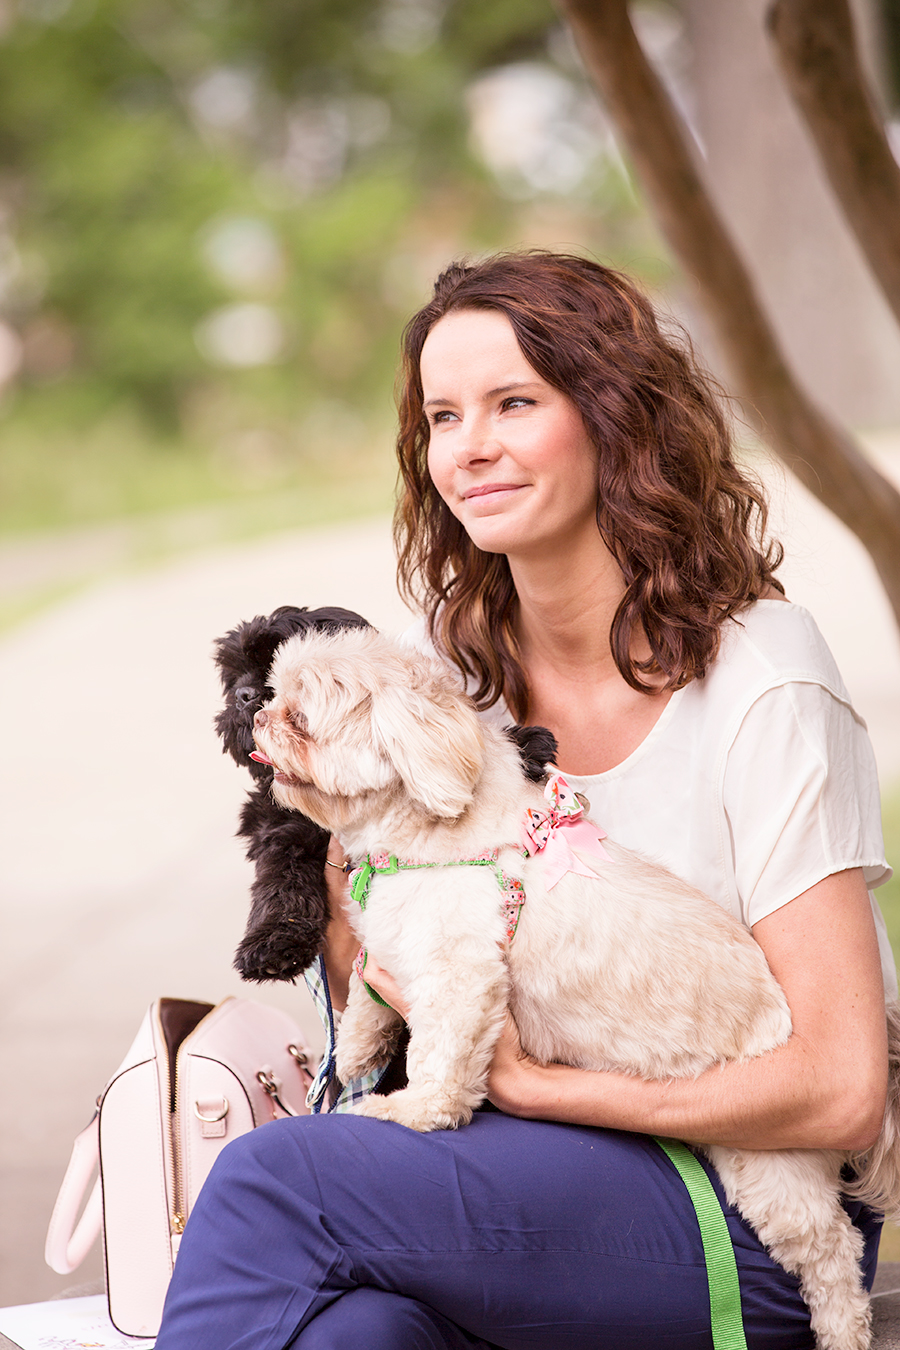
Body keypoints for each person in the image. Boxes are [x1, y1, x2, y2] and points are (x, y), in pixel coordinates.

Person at [154, 252, 894, 1349]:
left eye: (514, 403)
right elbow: (391, 980)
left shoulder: (761, 676)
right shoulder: (436, 676)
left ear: (612, 420)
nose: (471, 446)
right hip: (509, 1186)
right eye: (443, 417)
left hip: (741, 1204)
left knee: (275, 1181)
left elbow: (841, 1093)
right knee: (353, 1339)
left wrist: (547, 1091)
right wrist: (342, 870)